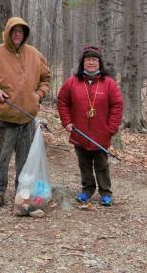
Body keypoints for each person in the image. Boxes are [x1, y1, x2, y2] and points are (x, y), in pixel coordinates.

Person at [0, 17, 51, 207]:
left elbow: (46, 78)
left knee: (25, 160)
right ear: (7, 32)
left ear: (25, 34)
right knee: (0, 159)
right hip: (3, 118)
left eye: (21, 31)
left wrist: (38, 95)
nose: (17, 34)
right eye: (14, 31)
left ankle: (22, 193)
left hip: (27, 119)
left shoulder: (35, 55)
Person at [57, 45, 123, 206]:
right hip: (79, 132)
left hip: (101, 133)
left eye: (94, 59)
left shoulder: (109, 83)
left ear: (100, 62)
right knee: (84, 164)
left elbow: (117, 106)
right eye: (88, 60)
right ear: (83, 63)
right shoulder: (72, 82)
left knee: (101, 164)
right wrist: (67, 122)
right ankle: (87, 190)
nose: (91, 62)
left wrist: (111, 128)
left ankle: (105, 192)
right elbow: (62, 102)